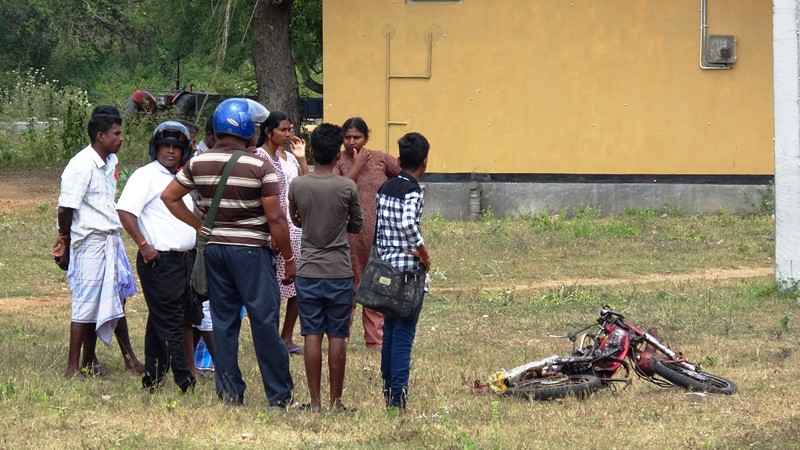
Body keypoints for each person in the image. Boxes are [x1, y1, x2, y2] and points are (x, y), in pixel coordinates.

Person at [161, 98, 295, 408]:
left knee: (223, 323)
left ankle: (229, 393)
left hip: (215, 252)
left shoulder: (197, 162)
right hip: (250, 253)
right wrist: (289, 258)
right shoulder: (259, 165)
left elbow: (169, 196)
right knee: (263, 322)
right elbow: (275, 218)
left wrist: (201, 226)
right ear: (247, 129)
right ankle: (279, 396)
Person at [54, 111, 142, 379]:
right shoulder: (81, 165)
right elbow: (65, 208)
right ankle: (72, 367)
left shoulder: (108, 161)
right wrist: (65, 240)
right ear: (100, 136)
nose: (121, 139)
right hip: (90, 240)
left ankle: (100, 360)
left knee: (113, 298)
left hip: (109, 239)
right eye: (116, 133)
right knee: (86, 303)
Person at [117, 121, 200, 392]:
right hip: (159, 260)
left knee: (159, 321)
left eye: (177, 147)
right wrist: (143, 245)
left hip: (184, 260)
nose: (171, 151)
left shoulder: (181, 178)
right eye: (165, 146)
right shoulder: (145, 176)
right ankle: (184, 380)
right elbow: (126, 212)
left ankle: (152, 378)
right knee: (172, 320)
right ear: (155, 148)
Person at [288, 123, 363, 413]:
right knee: (337, 334)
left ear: (313, 151)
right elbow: (357, 223)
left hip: (308, 270)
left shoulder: (298, 184)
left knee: (311, 334)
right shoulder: (347, 186)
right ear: (337, 155)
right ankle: (336, 401)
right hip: (339, 271)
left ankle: (315, 403)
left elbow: (296, 220)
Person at [376, 132, 431, 415]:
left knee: (390, 332)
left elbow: (379, 228)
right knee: (403, 337)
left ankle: (388, 394)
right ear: (425, 162)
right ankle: (398, 400)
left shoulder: (385, 186)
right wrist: (423, 252)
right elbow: (409, 223)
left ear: (398, 160)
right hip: (408, 273)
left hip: (386, 269)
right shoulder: (413, 190)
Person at [334, 117, 401, 350]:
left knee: (374, 284)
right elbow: (337, 188)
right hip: (348, 236)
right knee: (348, 286)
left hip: (378, 235)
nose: (352, 142)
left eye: (357, 137)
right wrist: (357, 165)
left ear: (366, 138)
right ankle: (341, 337)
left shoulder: (380, 159)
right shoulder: (338, 160)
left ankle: (375, 340)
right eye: (347, 137)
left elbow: (406, 174)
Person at [255, 110, 309, 354]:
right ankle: (270, 338)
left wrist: (302, 159)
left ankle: (286, 336)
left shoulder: (289, 157)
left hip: (293, 227)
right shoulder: (259, 156)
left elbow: (306, 185)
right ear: (269, 132)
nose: (289, 134)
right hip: (271, 227)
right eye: (283, 130)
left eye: (291, 129)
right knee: (272, 288)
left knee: (298, 285)